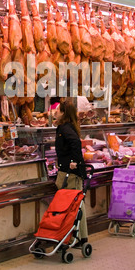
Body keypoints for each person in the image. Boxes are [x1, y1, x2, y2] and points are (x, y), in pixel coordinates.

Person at [55, 99, 88, 245]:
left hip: (71, 173)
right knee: (75, 204)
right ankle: (76, 235)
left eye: (57, 110)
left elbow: (75, 142)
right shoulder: (66, 127)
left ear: (63, 113)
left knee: (74, 204)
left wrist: (75, 162)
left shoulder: (65, 128)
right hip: (68, 169)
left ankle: (79, 236)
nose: (54, 112)